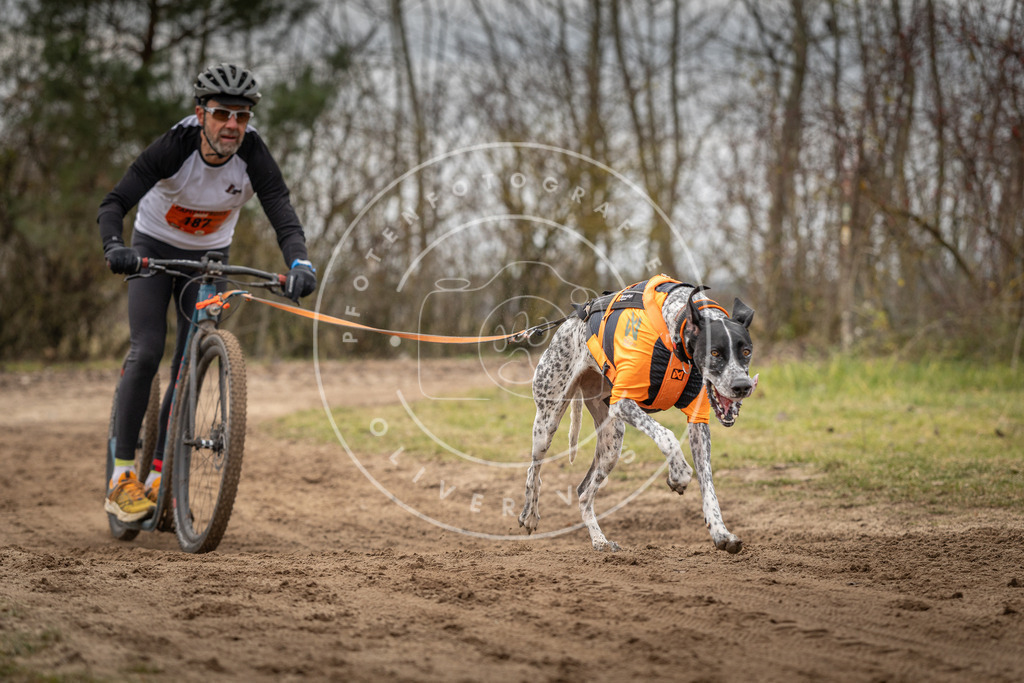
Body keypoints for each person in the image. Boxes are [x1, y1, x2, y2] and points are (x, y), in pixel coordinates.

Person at [98, 63, 317, 522]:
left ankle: (160, 479)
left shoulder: (253, 154)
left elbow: (283, 213)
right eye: (222, 114)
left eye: (241, 116)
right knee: (147, 349)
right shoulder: (174, 147)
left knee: (188, 361)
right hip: (153, 252)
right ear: (201, 114)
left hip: (210, 260)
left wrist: (299, 263)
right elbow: (114, 203)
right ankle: (122, 478)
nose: (232, 126)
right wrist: (116, 247)